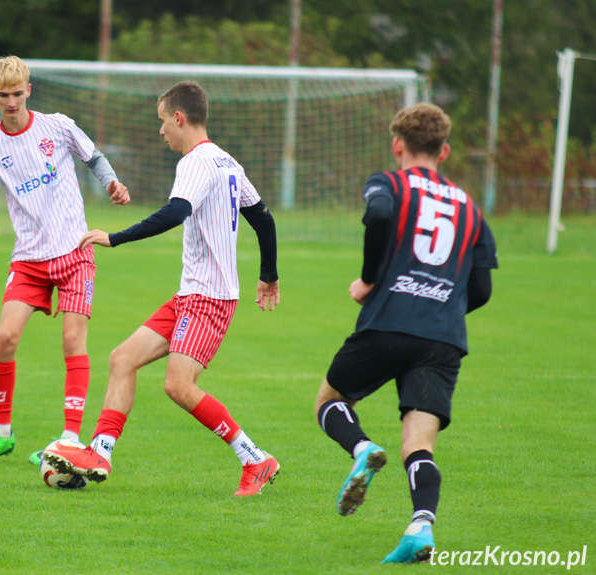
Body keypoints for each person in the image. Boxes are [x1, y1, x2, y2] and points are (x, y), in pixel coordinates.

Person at [44, 81, 281, 497]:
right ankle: (100, 452)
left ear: (179, 118)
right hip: (192, 294)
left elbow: (176, 212)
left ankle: (255, 459)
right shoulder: (227, 162)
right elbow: (263, 218)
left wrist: (114, 237)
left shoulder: (195, 162)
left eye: (162, 122)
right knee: (122, 359)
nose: (161, 132)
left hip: (209, 298)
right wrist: (269, 274)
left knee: (178, 385)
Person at [313, 103, 498, 562]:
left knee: (330, 401)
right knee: (419, 443)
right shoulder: (470, 207)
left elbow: (378, 214)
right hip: (443, 337)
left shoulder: (388, 182)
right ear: (446, 150)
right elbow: (481, 287)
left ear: (398, 145)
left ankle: (361, 447)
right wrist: (444, 307)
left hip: (389, 322)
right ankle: (420, 528)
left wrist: (370, 279)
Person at [0, 56, 130, 465]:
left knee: (73, 341)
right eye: (3, 95)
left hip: (76, 252)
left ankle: (69, 438)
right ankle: (2, 432)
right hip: (29, 259)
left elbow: (93, 157)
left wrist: (111, 182)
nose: (11, 102)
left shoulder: (57, 125)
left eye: (17, 94)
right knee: (5, 338)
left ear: (29, 90)